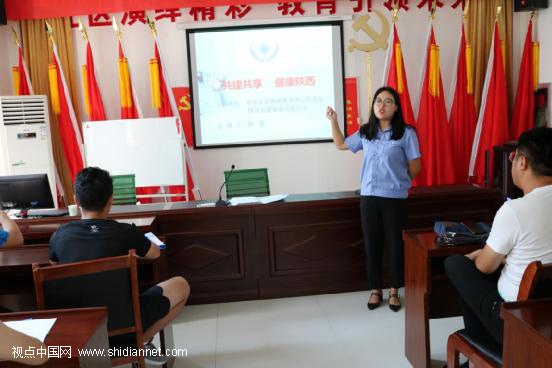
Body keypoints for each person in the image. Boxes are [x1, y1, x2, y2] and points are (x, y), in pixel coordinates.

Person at [49, 167, 190, 365]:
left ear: (77, 200)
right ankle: (137, 344)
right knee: (181, 285)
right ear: (110, 200)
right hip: (124, 323)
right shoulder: (125, 232)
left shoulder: (59, 236)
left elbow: (54, 266)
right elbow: (155, 253)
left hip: (78, 331)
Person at [444, 127, 552, 348]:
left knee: (457, 264)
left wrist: (478, 256)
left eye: (513, 156)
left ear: (522, 162)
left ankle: (484, 347)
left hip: (516, 320)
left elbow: (484, 267)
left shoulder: (514, 210)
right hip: (547, 312)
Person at [326, 86, 421, 311]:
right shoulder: (366, 132)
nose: (381, 105)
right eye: (378, 100)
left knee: (396, 245)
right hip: (369, 197)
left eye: (388, 101)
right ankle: (375, 289)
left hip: (395, 197)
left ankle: (395, 290)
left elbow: (415, 167)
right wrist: (333, 120)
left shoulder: (406, 133)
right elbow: (341, 144)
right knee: (372, 243)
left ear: (396, 107)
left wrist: (397, 181)